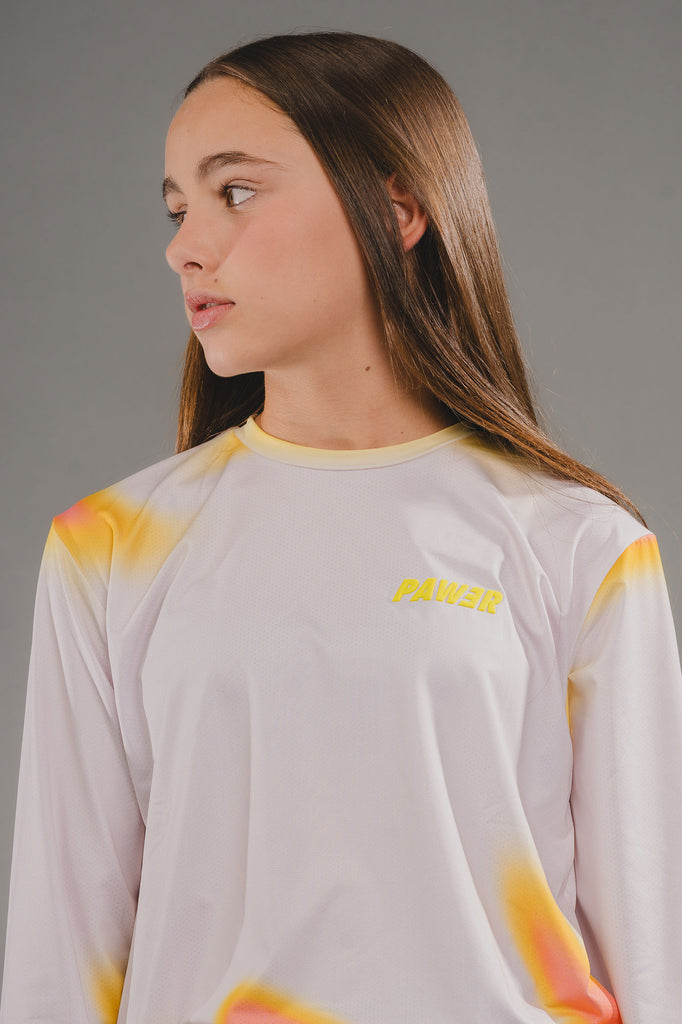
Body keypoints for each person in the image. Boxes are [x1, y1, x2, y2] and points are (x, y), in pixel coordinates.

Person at [1, 28, 680, 1024]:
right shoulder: (109, 547)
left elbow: (654, 946)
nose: (183, 246)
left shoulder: (578, 546)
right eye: (179, 208)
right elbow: (58, 957)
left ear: (397, 208)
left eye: (236, 191)